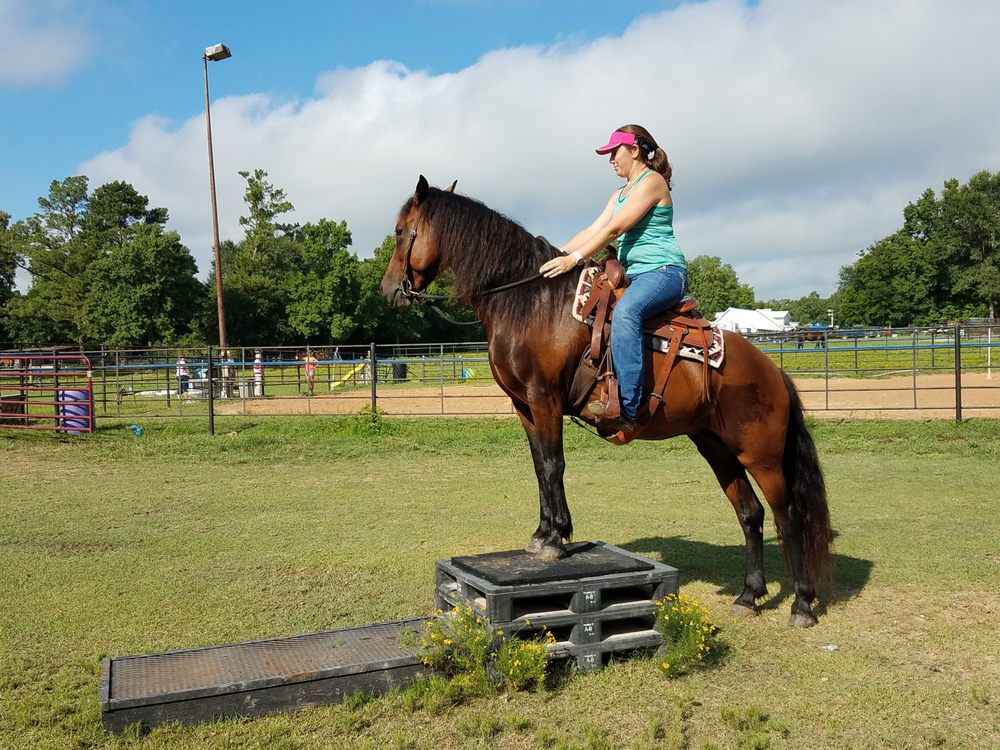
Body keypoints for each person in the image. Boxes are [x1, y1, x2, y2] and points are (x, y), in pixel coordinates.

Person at [539, 124, 688, 433]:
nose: (610, 160)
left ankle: (629, 409)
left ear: (634, 150)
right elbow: (593, 231)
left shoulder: (652, 182)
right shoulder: (619, 194)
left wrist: (574, 260)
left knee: (626, 312)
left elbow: (613, 231)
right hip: (634, 276)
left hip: (663, 273)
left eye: (613, 152)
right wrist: (549, 257)